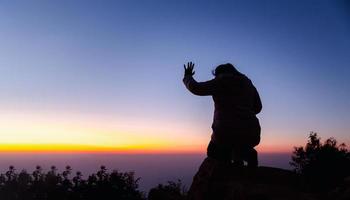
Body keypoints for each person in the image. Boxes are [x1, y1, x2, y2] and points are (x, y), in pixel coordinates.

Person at [183, 62, 262, 167]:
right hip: (251, 132)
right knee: (238, 149)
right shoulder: (248, 83)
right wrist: (244, 113)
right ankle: (247, 158)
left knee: (214, 152)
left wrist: (187, 76)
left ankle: (225, 175)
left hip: (226, 132)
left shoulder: (221, 81)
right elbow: (258, 107)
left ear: (219, 74)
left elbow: (196, 88)